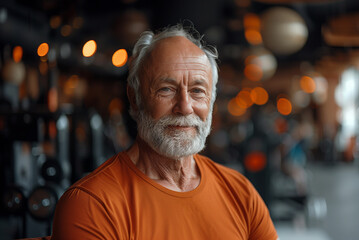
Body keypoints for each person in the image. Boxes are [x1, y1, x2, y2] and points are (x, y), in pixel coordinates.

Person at [51, 24, 278, 240]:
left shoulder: (241, 193)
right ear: (135, 98)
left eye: (198, 91)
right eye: (166, 89)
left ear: (212, 101)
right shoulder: (92, 204)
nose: (185, 107)